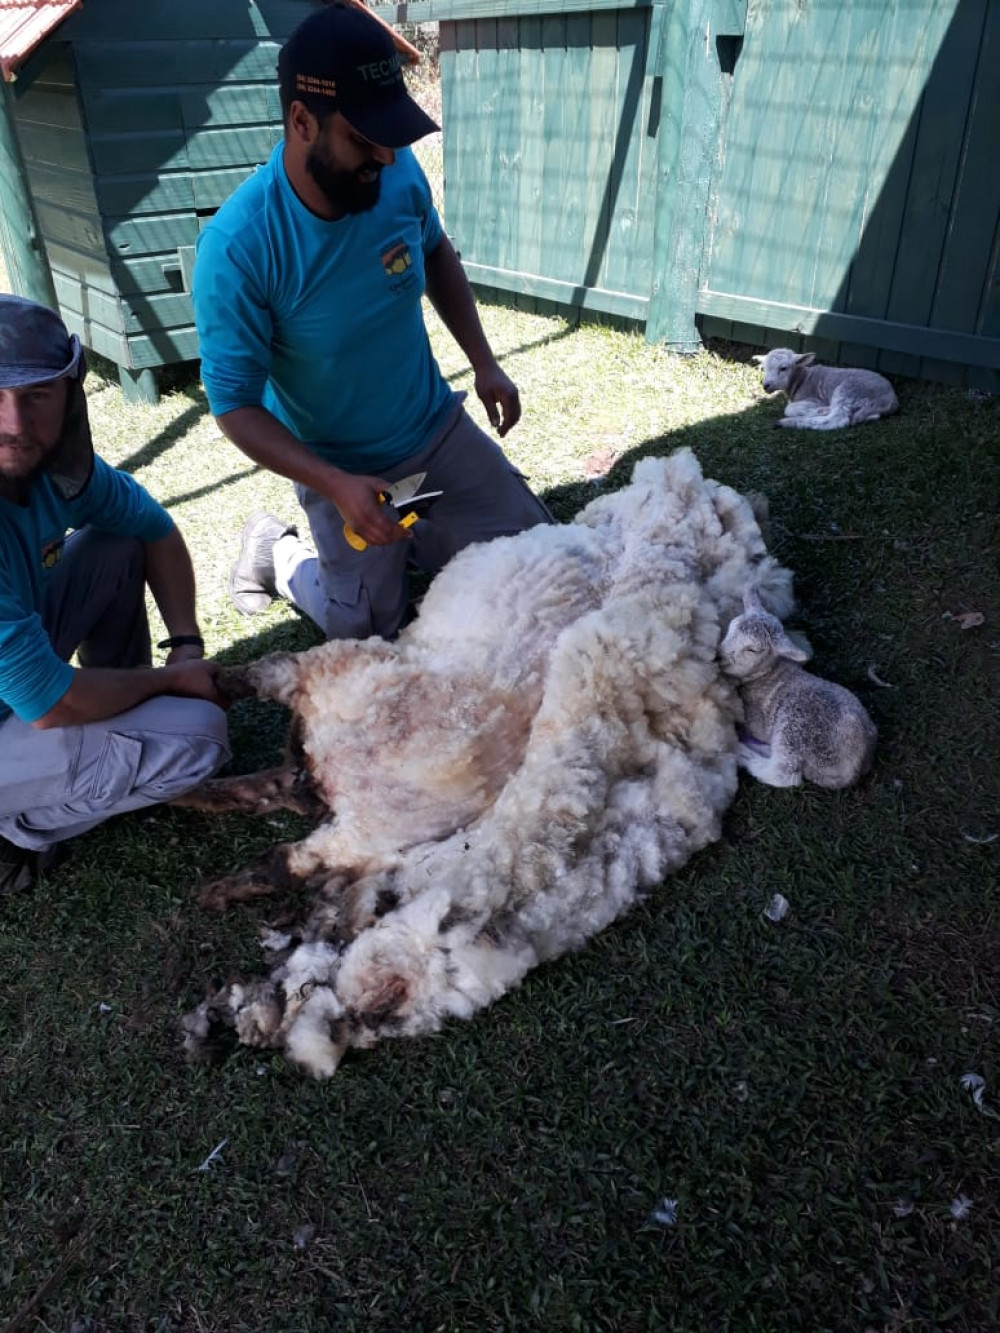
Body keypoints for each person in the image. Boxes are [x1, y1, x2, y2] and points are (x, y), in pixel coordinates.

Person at [192, 1, 552, 642]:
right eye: (363, 137)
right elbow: (235, 407)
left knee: (546, 570)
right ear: (302, 120)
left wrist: (485, 362)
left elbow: (435, 249)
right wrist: (333, 484)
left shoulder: (396, 171)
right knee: (369, 643)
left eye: (390, 137)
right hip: (340, 469)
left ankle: (418, 541)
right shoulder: (239, 246)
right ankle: (281, 554)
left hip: (433, 430)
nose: (385, 157)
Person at [0, 295, 230, 895]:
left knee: (117, 541)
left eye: (36, 396)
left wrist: (185, 645)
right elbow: (51, 706)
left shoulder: (55, 467)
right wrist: (169, 682)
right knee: (200, 739)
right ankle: (14, 834)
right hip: (34, 700)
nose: (16, 426)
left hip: (18, 680)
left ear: (69, 396)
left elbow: (154, 528)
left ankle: (120, 703)